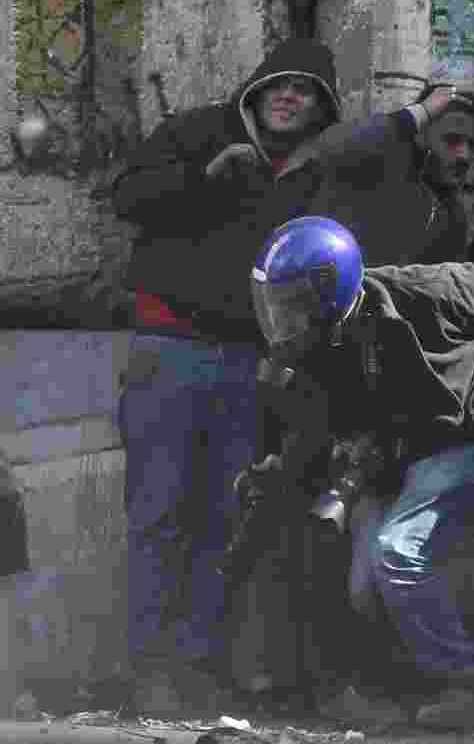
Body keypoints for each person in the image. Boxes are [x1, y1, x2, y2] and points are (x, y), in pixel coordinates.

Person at [242, 215, 474, 731]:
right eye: (277, 304)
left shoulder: (432, 292)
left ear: (329, 291)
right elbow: (310, 424)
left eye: (293, 304)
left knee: (397, 550)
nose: (283, 319)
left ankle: (473, 689)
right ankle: (399, 695)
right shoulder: (315, 346)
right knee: (363, 583)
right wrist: (278, 470)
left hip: (471, 439)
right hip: (393, 458)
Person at [111, 38, 341, 716]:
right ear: (255, 89)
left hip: (251, 363)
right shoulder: (196, 131)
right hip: (169, 351)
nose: (289, 96)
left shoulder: (315, 172)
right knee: (158, 514)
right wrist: (205, 177)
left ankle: (200, 666)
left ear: (321, 106)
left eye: (305, 89)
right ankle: (151, 670)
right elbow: (126, 196)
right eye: (279, 84)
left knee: (227, 520)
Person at [309, 71, 474, 269]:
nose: (464, 156)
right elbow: (328, 146)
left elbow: (460, 296)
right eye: (452, 140)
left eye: (472, 144)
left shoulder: (453, 216)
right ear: (421, 134)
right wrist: (418, 113)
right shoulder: (375, 173)